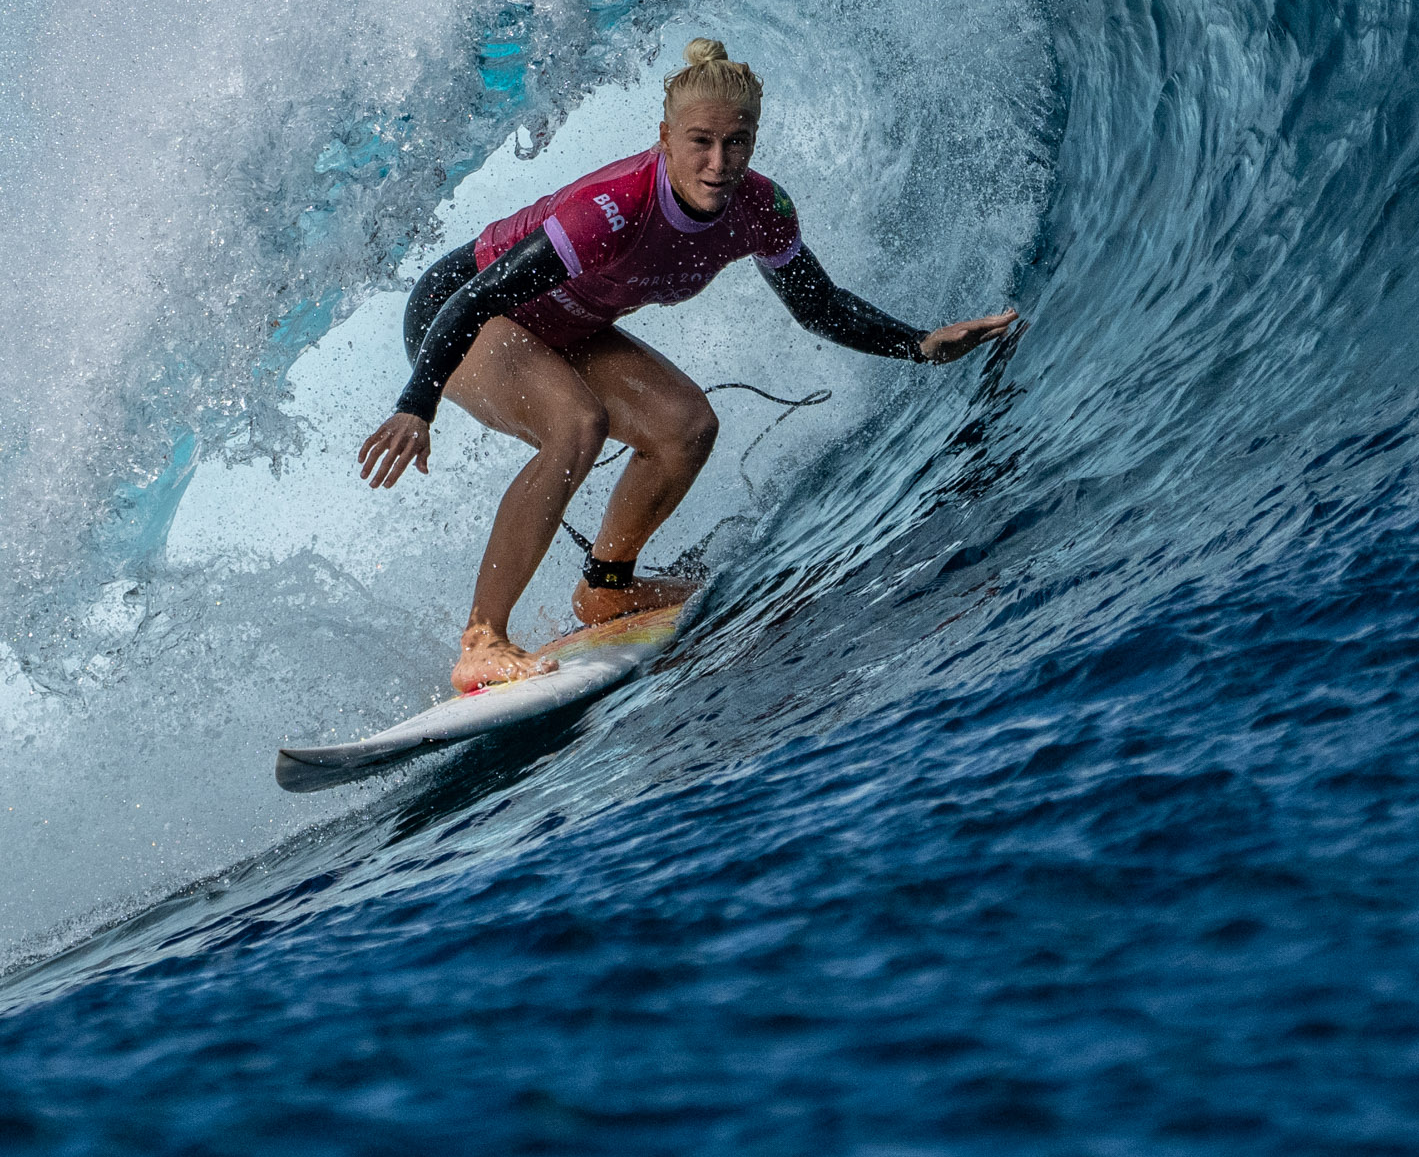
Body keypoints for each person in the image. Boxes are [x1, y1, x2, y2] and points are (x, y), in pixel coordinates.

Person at [359, 39, 1022, 692]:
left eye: (736, 143)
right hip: (462, 311)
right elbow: (477, 297)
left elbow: (817, 304)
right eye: (699, 141)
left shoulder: (763, 209)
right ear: (665, 139)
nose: (717, 162)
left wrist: (919, 344)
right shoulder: (611, 209)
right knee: (578, 425)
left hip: (564, 324)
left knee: (685, 425)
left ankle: (607, 589)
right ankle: (483, 640)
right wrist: (418, 404)